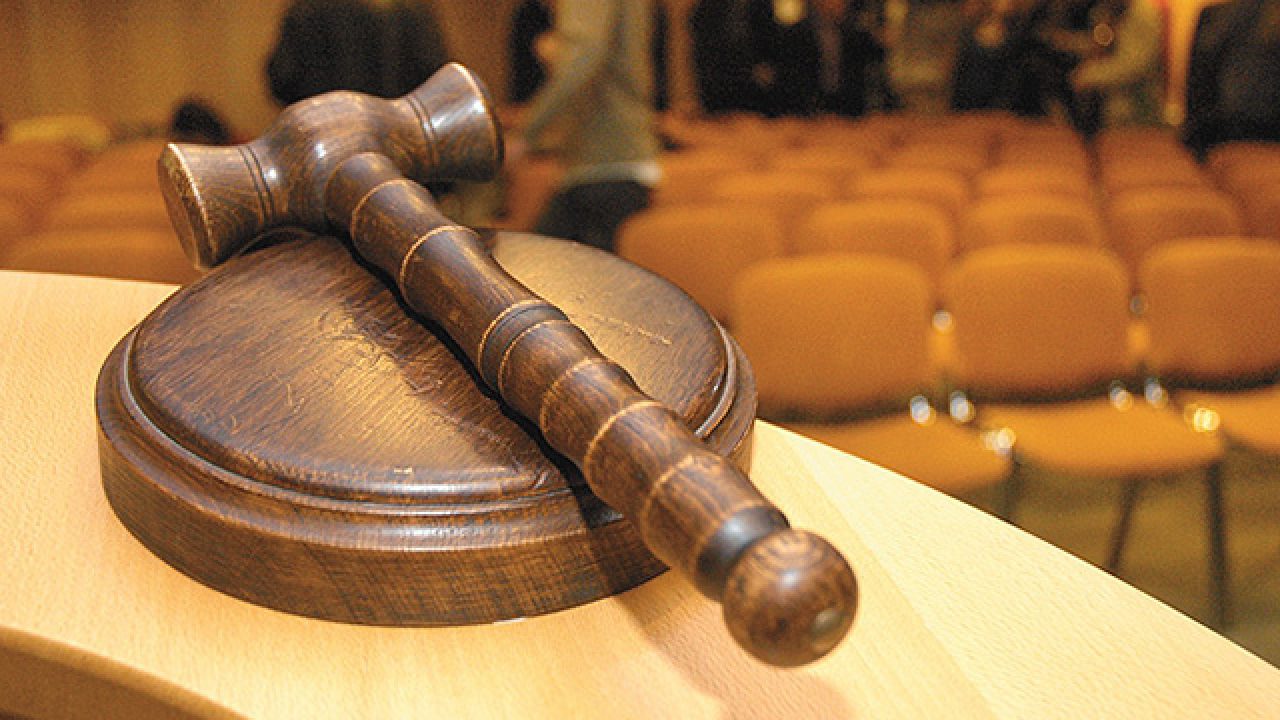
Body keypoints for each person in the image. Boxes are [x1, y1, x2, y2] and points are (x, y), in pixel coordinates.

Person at [506, 0, 661, 253]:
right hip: (610, 161)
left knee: (533, 265)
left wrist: (526, 133)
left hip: (604, 163)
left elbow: (585, 55)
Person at [265, 0, 450, 106]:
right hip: (398, 140)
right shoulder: (412, 7)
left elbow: (283, 79)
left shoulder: (306, 7)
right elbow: (438, 80)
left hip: (327, 139)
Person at [1045, 0, 1164, 135]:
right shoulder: (1107, 11)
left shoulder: (1143, 15)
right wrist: (1068, 42)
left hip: (1136, 113)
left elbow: (1135, 65)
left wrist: (1090, 75)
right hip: (1108, 111)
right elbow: (1100, 44)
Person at [1182, 0, 1280, 158]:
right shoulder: (1220, 17)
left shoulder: (1218, 16)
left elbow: (1198, 94)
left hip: (1220, 137)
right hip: (1237, 134)